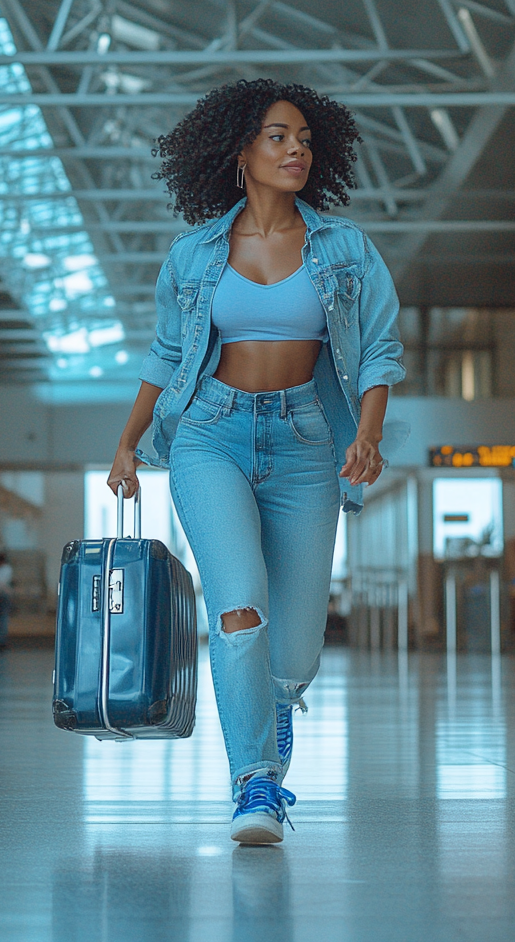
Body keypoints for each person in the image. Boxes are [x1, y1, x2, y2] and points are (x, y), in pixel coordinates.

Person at [107, 80, 404, 845]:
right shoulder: (195, 254)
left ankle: (270, 711)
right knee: (238, 609)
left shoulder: (346, 250)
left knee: (294, 648)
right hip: (211, 435)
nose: (295, 149)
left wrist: (365, 435)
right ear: (238, 151)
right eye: (277, 136)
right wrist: (128, 441)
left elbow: (378, 352)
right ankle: (255, 785)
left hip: (309, 442)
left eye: (304, 138)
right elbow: (167, 353)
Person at [0, 551, 14, 651]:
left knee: (0, 617)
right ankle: (1, 640)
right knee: (3, 617)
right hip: (4, 593)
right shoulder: (8, 569)